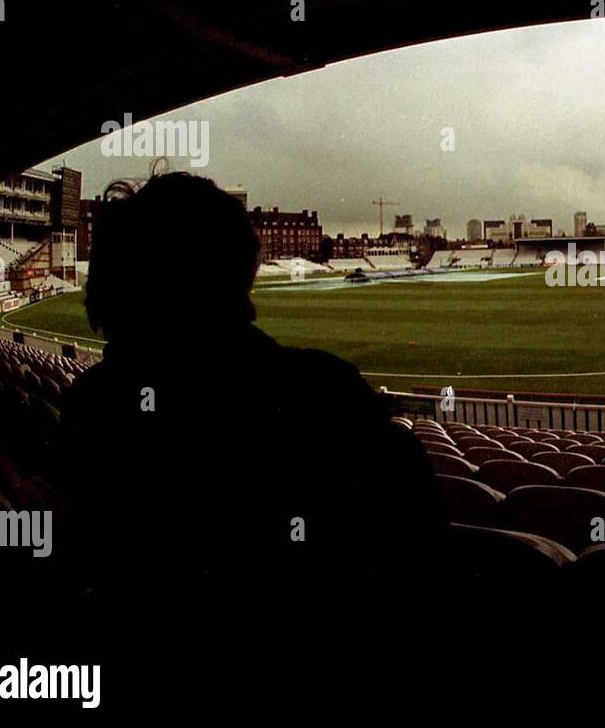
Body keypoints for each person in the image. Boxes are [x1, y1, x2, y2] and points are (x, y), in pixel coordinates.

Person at [52, 171, 447, 700]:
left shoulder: (89, 408)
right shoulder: (323, 397)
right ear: (247, 272)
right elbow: (421, 565)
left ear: (113, 283)